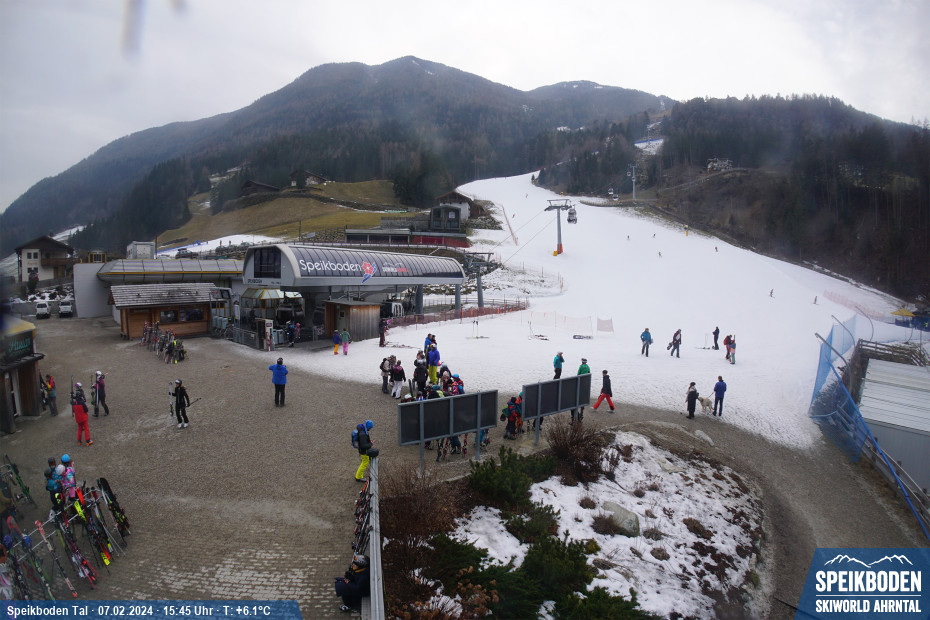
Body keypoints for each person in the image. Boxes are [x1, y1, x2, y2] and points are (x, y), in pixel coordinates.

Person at [571, 358, 591, 423]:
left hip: (581, 380)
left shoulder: (581, 367)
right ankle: (581, 413)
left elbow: (578, 373)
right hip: (585, 380)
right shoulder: (588, 366)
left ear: (582, 362)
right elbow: (589, 373)